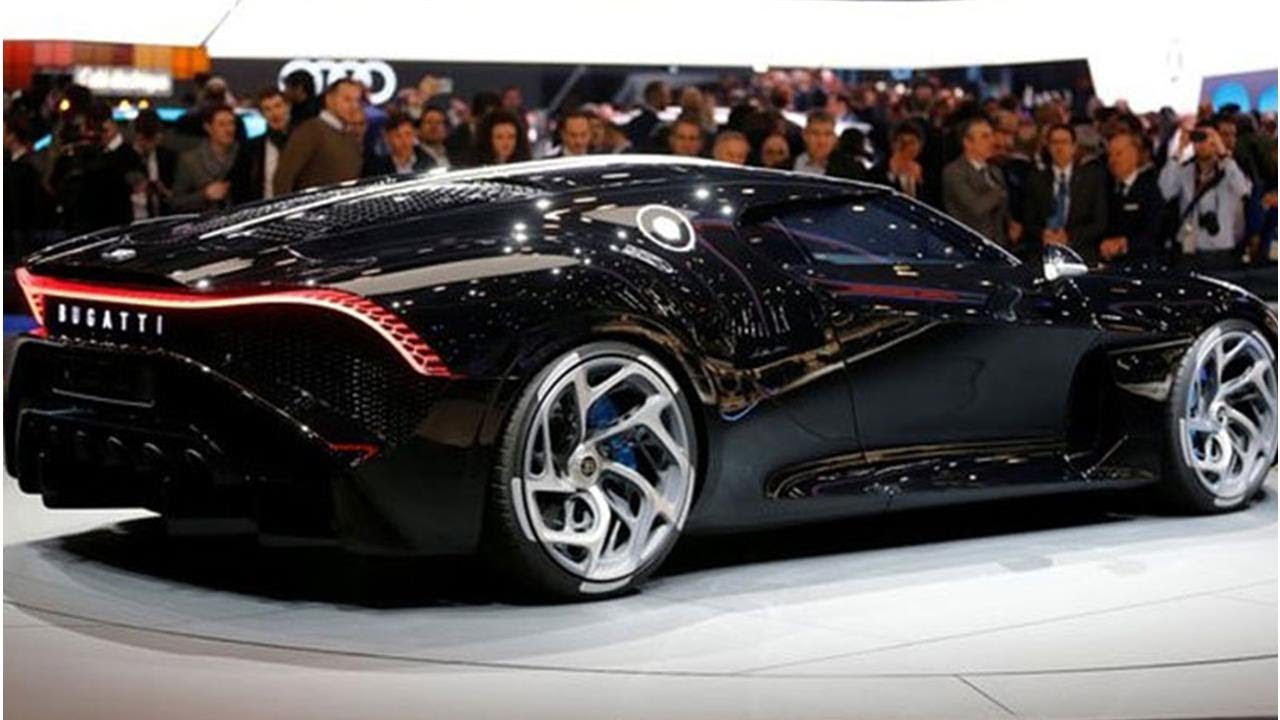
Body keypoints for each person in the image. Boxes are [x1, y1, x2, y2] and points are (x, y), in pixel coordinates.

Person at [1158, 120, 1253, 268]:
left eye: (1206, 138)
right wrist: (1178, 151)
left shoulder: (1230, 170)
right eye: (1197, 138)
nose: (1201, 144)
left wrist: (1223, 153)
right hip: (1190, 248)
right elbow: (1165, 191)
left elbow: (1243, 190)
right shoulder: (1185, 171)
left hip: (1220, 249)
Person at [1024, 123, 1109, 263]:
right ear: (1048, 147)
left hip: (1081, 251)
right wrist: (1043, 234)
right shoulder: (1036, 179)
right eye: (1054, 142)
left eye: (1064, 142)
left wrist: (1069, 236)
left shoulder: (1091, 179)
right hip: (1044, 252)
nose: (1059, 147)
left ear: (1074, 147)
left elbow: (1099, 221)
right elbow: (1029, 220)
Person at [273, 78, 364, 195]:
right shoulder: (311, 131)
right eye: (347, 99)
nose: (354, 106)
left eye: (357, 100)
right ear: (329, 99)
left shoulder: (351, 137)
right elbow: (283, 178)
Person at [942, 116, 1019, 248]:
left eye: (991, 135)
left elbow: (1002, 209)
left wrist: (1010, 223)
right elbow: (975, 208)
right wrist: (998, 192)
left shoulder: (995, 171)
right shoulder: (955, 172)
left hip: (997, 245)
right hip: (968, 245)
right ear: (967, 142)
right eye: (985, 137)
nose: (992, 141)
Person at [1099, 131, 1169, 262]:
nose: (1113, 160)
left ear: (1134, 155)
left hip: (1142, 263)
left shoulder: (1150, 189)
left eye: (1118, 154)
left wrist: (1125, 244)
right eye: (1110, 155)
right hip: (1111, 263)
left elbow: (1156, 231)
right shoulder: (1106, 188)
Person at [171, 105, 239, 213]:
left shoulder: (243, 154)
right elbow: (176, 202)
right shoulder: (190, 160)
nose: (229, 129)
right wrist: (204, 195)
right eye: (221, 124)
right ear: (208, 127)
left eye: (231, 123)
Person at [229, 87, 291, 204]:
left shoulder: (304, 141)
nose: (274, 113)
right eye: (267, 109)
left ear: (288, 107)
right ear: (262, 114)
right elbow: (240, 187)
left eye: (278, 106)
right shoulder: (250, 148)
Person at [126, 108, 177, 219]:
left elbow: (176, 195)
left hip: (162, 216)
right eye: (151, 141)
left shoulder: (167, 157)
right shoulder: (124, 158)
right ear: (140, 137)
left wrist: (164, 191)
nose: (154, 145)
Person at [363, 111, 435, 176]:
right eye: (398, 136)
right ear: (387, 138)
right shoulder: (375, 167)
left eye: (408, 134)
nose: (404, 141)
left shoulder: (427, 161)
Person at [870, 122, 924, 198]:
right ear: (893, 144)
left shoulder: (919, 169)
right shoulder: (879, 171)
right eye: (905, 143)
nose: (910, 148)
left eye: (913, 143)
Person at [626, 80, 670, 152]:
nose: (669, 101)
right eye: (666, 96)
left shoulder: (638, 120)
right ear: (655, 96)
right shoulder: (648, 122)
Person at [793, 111, 837, 175]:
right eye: (815, 134)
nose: (822, 141)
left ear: (835, 138)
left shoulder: (846, 169)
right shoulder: (791, 162)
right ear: (805, 135)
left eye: (828, 134)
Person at [417, 105, 451, 169]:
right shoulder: (414, 156)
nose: (434, 126)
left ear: (446, 129)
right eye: (429, 122)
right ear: (420, 128)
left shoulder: (454, 153)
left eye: (438, 122)